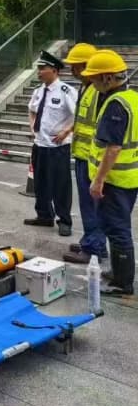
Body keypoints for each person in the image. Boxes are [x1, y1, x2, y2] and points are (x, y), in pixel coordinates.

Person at [83, 49, 138, 296]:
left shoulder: (116, 105)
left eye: (94, 79)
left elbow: (113, 148)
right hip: (128, 177)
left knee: (118, 229)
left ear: (108, 78)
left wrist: (99, 180)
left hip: (115, 179)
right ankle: (118, 272)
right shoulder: (132, 98)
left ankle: (123, 282)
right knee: (116, 226)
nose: (91, 84)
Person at [56, 43, 107, 265]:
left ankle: (93, 247)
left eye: (75, 66)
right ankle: (91, 240)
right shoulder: (87, 88)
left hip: (91, 158)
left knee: (90, 204)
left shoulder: (97, 91)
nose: (72, 71)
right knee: (88, 204)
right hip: (83, 154)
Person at [24, 50, 77, 236]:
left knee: (60, 185)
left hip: (58, 147)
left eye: (42, 68)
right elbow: (31, 110)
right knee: (40, 183)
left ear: (54, 70)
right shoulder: (38, 91)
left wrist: (66, 131)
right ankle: (44, 215)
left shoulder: (66, 91)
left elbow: (78, 115)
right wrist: (32, 126)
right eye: (38, 68)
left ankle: (64, 220)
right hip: (40, 145)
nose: (39, 72)